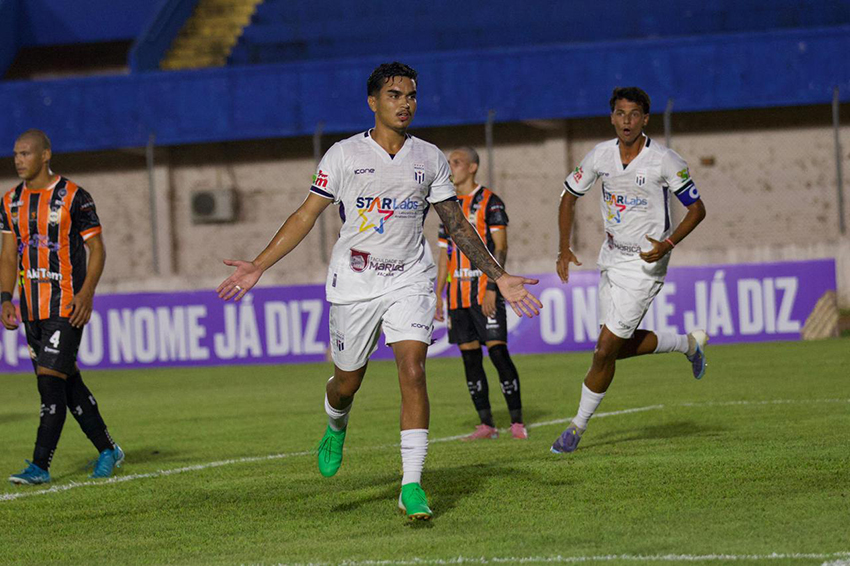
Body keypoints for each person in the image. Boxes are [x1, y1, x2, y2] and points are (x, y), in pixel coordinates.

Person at [217, 62, 541, 520]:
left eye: (411, 95)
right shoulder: (344, 155)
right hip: (355, 282)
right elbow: (305, 215)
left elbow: (455, 224)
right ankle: (336, 423)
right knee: (347, 382)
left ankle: (412, 484)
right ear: (373, 102)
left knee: (413, 368)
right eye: (394, 95)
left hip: (410, 278)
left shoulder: (429, 158)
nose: (405, 103)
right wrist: (258, 265)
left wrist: (497, 275)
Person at [551, 87, 708, 454]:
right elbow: (568, 196)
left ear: (645, 119)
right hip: (611, 256)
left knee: (604, 350)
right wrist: (563, 248)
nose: (627, 121)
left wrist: (668, 244)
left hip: (645, 261)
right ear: (612, 117)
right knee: (613, 350)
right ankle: (688, 344)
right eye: (620, 113)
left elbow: (697, 209)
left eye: (634, 114)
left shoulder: (664, 160)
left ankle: (576, 427)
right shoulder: (600, 155)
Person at [1, 129, 123, 485]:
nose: (18, 160)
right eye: (16, 154)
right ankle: (108, 449)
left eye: (26, 153)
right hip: (31, 310)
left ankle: (40, 465)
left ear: (45, 155)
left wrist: (87, 293)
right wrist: (6, 297)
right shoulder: (10, 201)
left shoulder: (74, 197)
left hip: (67, 306)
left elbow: (96, 248)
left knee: (49, 383)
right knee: (68, 384)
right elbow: (8, 255)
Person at [435, 147, 527, 441]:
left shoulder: (490, 202)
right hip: (457, 296)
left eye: (457, 162)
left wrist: (491, 287)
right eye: (449, 163)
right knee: (470, 359)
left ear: (472, 167)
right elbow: (444, 255)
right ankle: (486, 424)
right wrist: (438, 294)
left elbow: (501, 246)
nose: (451, 167)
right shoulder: (446, 204)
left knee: (498, 353)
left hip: (484, 291)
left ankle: (517, 422)